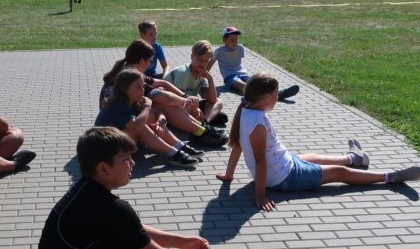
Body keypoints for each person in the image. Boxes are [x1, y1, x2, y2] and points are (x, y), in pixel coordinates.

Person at [36, 127, 213, 249]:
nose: (133, 163)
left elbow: (132, 230)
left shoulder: (83, 191)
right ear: (104, 168)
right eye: (126, 159)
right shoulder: (112, 208)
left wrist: (181, 242)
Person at [215, 73, 420, 211]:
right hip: (284, 177)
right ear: (266, 97)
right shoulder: (258, 122)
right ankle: (392, 176)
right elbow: (260, 160)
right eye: (277, 95)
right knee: (340, 174)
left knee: (315, 157)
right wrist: (260, 196)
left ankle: (355, 158)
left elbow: (237, 145)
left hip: (282, 165)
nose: (278, 98)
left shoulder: (245, 110)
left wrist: (229, 175)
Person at [100, 40, 228, 147]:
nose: (150, 65)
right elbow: (164, 97)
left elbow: (163, 83)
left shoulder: (130, 72)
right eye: (150, 61)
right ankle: (199, 132)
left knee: (163, 99)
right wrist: (187, 101)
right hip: (120, 129)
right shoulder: (131, 77)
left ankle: (200, 129)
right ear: (142, 61)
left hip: (125, 121)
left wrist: (185, 97)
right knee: (164, 103)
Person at [95, 68, 200, 168]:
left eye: (143, 86)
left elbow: (157, 113)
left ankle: (179, 146)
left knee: (149, 119)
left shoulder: (133, 100)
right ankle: (174, 153)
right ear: (124, 89)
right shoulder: (118, 105)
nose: (143, 90)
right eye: (138, 87)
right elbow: (137, 126)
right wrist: (147, 106)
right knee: (141, 126)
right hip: (105, 148)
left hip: (117, 140)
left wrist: (161, 121)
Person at [210, 26, 299, 101]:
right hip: (230, 77)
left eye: (236, 39)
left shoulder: (240, 48)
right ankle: (267, 96)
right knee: (243, 85)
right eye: (232, 40)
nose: (235, 42)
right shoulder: (219, 51)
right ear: (224, 40)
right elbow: (210, 64)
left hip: (243, 74)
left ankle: (277, 93)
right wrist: (204, 78)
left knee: (257, 83)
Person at [164, 40, 229, 126]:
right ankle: (202, 119)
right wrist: (196, 109)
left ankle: (205, 123)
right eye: (200, 59)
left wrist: (210, 79)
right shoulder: (183, 73)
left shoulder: (202, 73)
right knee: (186, 109)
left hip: (188, 105)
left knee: (219, 102)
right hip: (171, 105)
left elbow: (212, 100)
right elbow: (181, 100)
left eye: (206, 61)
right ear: (192, 57)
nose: (203, 64)